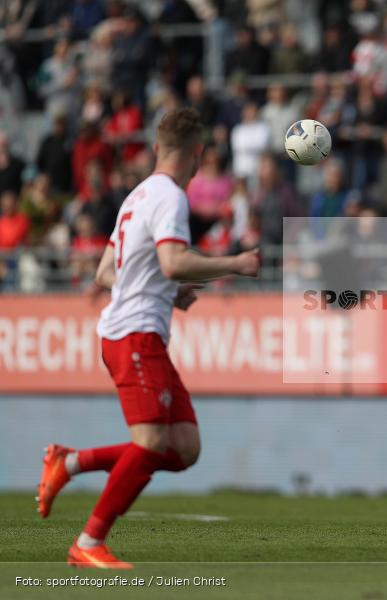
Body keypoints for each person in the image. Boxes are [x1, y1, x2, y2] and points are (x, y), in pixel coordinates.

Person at [36, 108, 261, 568]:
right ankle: (89, 543)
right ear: (197, 155)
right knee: (152, 442)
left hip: (137, 331)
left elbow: (105, 271)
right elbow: (174, 260)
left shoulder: (137, 196)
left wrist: (167, 289)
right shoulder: (171, 198)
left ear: (157, 148)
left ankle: (70, 462)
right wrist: (234, 264)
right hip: (133, 333)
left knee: (183, 448)